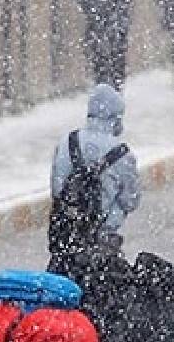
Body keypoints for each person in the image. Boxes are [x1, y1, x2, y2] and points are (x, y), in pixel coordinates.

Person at [49, 83, 140, 256]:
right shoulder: (122, 154)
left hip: (65, 238)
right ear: (116, 117)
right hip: (103, 244)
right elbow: (131, 201)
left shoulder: (66, 142)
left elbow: (56, 190)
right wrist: (104, 219)